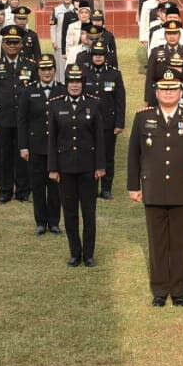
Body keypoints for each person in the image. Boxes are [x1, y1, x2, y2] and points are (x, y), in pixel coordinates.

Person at [127, 69, 183, 307]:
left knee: (180, 243)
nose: (168, 93)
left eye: (173, 88)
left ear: (181, 92)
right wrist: (134, 187)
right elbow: (134, 154)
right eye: (163, 89)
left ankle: (177, 292)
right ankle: (159, 291)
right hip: (153, 189)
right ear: (156, 92)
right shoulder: (143, 117)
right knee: (157, 243)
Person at [47, 65, 106, 267]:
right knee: (70, 213)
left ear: (83, 83)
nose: (74, 86)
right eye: (71, 82)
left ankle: (88, 254)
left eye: (78, 82)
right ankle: (75, 253)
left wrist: (100, 166)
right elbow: (52, 141)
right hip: (65, 169)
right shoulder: (55, 105)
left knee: (89, 213)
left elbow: (99, 138)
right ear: (67, 83)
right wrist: (53, 168)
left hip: (88, 169)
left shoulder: (94, 104)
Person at [0, 26, 36, 203]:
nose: (12, 46)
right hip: (2, 120)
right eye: (9, 42)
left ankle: (23, 190)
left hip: (24, 120)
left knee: (23, 155)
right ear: (3, 44)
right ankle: (5, 189)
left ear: (21, 44)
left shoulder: (30, 65)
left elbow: (35, 95)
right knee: (3, 155)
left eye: (16, 42)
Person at [18, 54, 64, 236]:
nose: (47, 72)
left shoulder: (62, 90)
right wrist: (23, 146)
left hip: (56, 148)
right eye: (43, 69)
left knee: (55, 187)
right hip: (35, 147)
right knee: (37, 186)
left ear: (54, 70)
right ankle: (40, 222)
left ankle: (54, 222)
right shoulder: (28, 91)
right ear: (38, 72)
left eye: (50, 69)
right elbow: (22, 120)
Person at [83, 40, 126, 199]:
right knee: (90, 155)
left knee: (108, 156)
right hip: (88, 123)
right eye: (96, 54)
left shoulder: (114, 74)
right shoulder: (84, 72)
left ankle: (106, 188)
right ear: (91, 56)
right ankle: (92, 188)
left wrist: (119, 123)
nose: (98, 58)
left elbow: (120, 100)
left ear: (105, 56)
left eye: (101, 55)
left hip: (108, 123)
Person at [144, 19, 183, 107]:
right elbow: (150, 77)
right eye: (169, 33)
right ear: (165, 35)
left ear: (180, 35)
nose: (172, 37)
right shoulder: (156, 52)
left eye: (175, 33)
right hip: (161, 93)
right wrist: (148, 98)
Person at [51, 0, 76, 73]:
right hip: (60, 42)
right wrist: (54, 41)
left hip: (73, 42)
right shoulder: (56, 10)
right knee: (60, 66)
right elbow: (53, 27)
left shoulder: (76, 10)